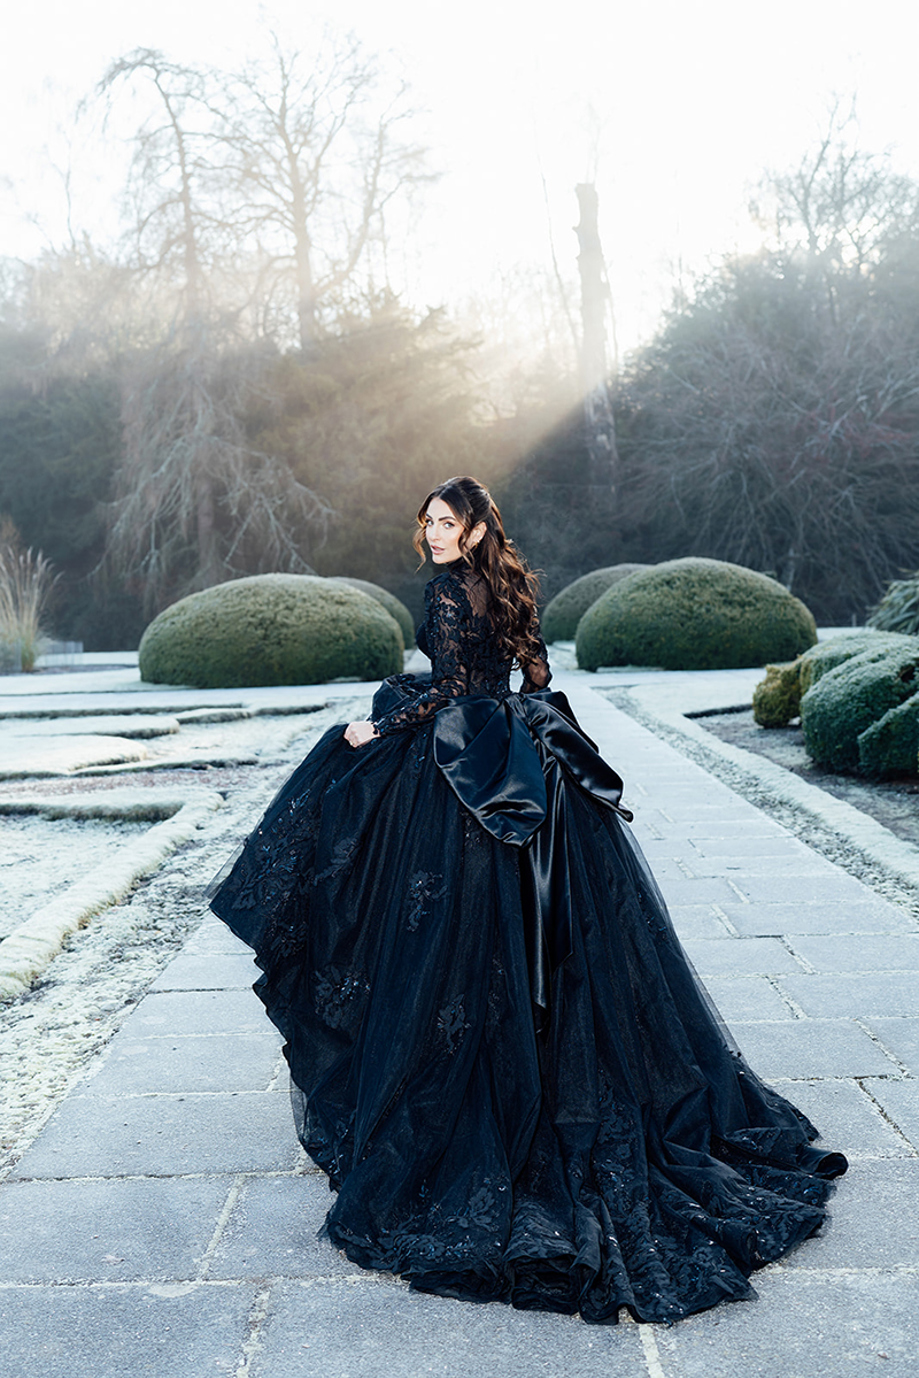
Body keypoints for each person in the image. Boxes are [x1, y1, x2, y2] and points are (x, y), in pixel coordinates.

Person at [208, 475, 846, 1325]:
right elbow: (534, 676)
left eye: (445, 521)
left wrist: (376, 728)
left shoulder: (443, 590)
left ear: (473, 528)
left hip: (465, 766)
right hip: (520, 755)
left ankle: (482, 1095)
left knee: (418, 894)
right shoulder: (512, 581)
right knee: (558, 939)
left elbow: (443, 692)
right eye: (426, 520)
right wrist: (548, 748)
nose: (431, 533)